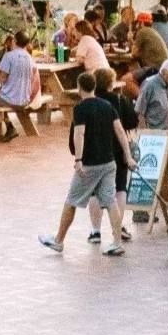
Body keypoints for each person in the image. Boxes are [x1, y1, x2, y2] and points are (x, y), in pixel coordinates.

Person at [39, 71, 137, 256]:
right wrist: (128, 155)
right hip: (109, 162)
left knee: (71, 201)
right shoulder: (108, 106)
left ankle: (59, 240)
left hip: (90, 164)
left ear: (79, 87)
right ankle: (116, 241)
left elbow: (80, 134)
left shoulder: (80, 108)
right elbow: (120, 131)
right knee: (110, 200)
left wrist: (78, 159)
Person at [87, 67, 137, 245]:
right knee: (120, 188)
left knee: (94, 191)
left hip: (94, 151)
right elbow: (132, 121)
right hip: (118, 149)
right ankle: (119, 225)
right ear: (111, 82)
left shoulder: (89, 102)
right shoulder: (121, 100)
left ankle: (95, 230)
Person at [0, 29, 39, 143]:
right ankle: (3, 128)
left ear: (14, 41)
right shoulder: (29, 58)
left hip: (11, 101)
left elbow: (2, 79)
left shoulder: (9, 56)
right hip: (25, 99)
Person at [135, 57, 168, 130]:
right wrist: (145, 133)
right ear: (163, 72)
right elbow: (139, 112)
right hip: (151, 133)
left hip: (165, 132)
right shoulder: (149, 85)